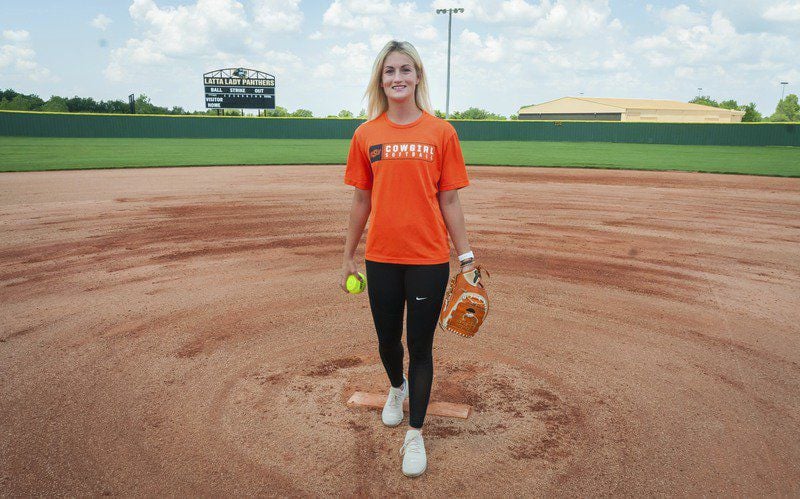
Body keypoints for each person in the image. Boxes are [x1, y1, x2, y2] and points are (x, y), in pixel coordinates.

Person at [339, 40, 476, 478]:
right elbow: (362, 200)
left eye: (405, 70)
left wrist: (466, 256)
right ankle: (396, 389)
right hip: (381, 256)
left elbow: (449, 199)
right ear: (380, 80)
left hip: (428, 259)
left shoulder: (441, 132)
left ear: (418, 76)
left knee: (420, 346)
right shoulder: (366, 134)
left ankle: (414, 434)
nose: (397, 78)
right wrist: (348, 256)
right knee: (386, 341)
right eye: (389, 71)